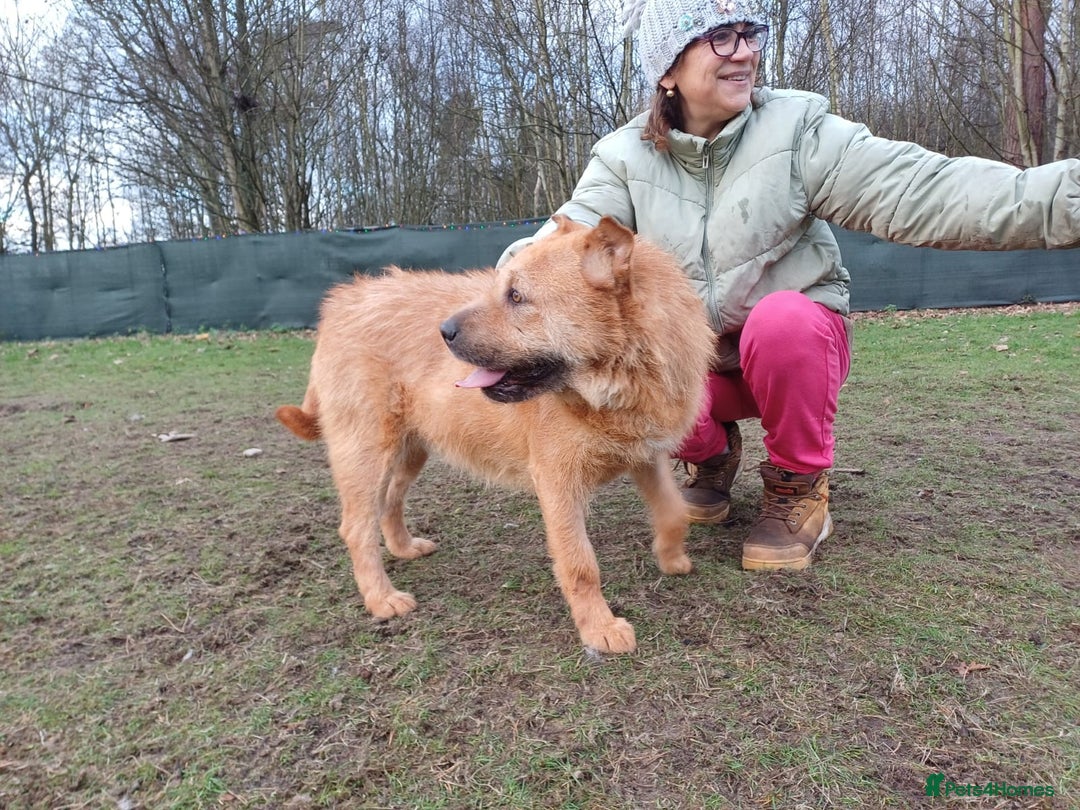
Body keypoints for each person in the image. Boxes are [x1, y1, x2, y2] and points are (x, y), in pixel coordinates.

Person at [498, 0, 1080, 572]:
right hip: (704, 368)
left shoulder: (797, 131)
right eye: (720, 36)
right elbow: (558, 243)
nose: (745, 51)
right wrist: (506, 293)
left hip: (791, 352)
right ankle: (713, 458)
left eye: (749, 32)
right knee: (636, 370)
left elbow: (927, 189)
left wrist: (1066, 198)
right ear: (668, 69)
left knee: (783, 319)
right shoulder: (623, 158)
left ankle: (798, 487)